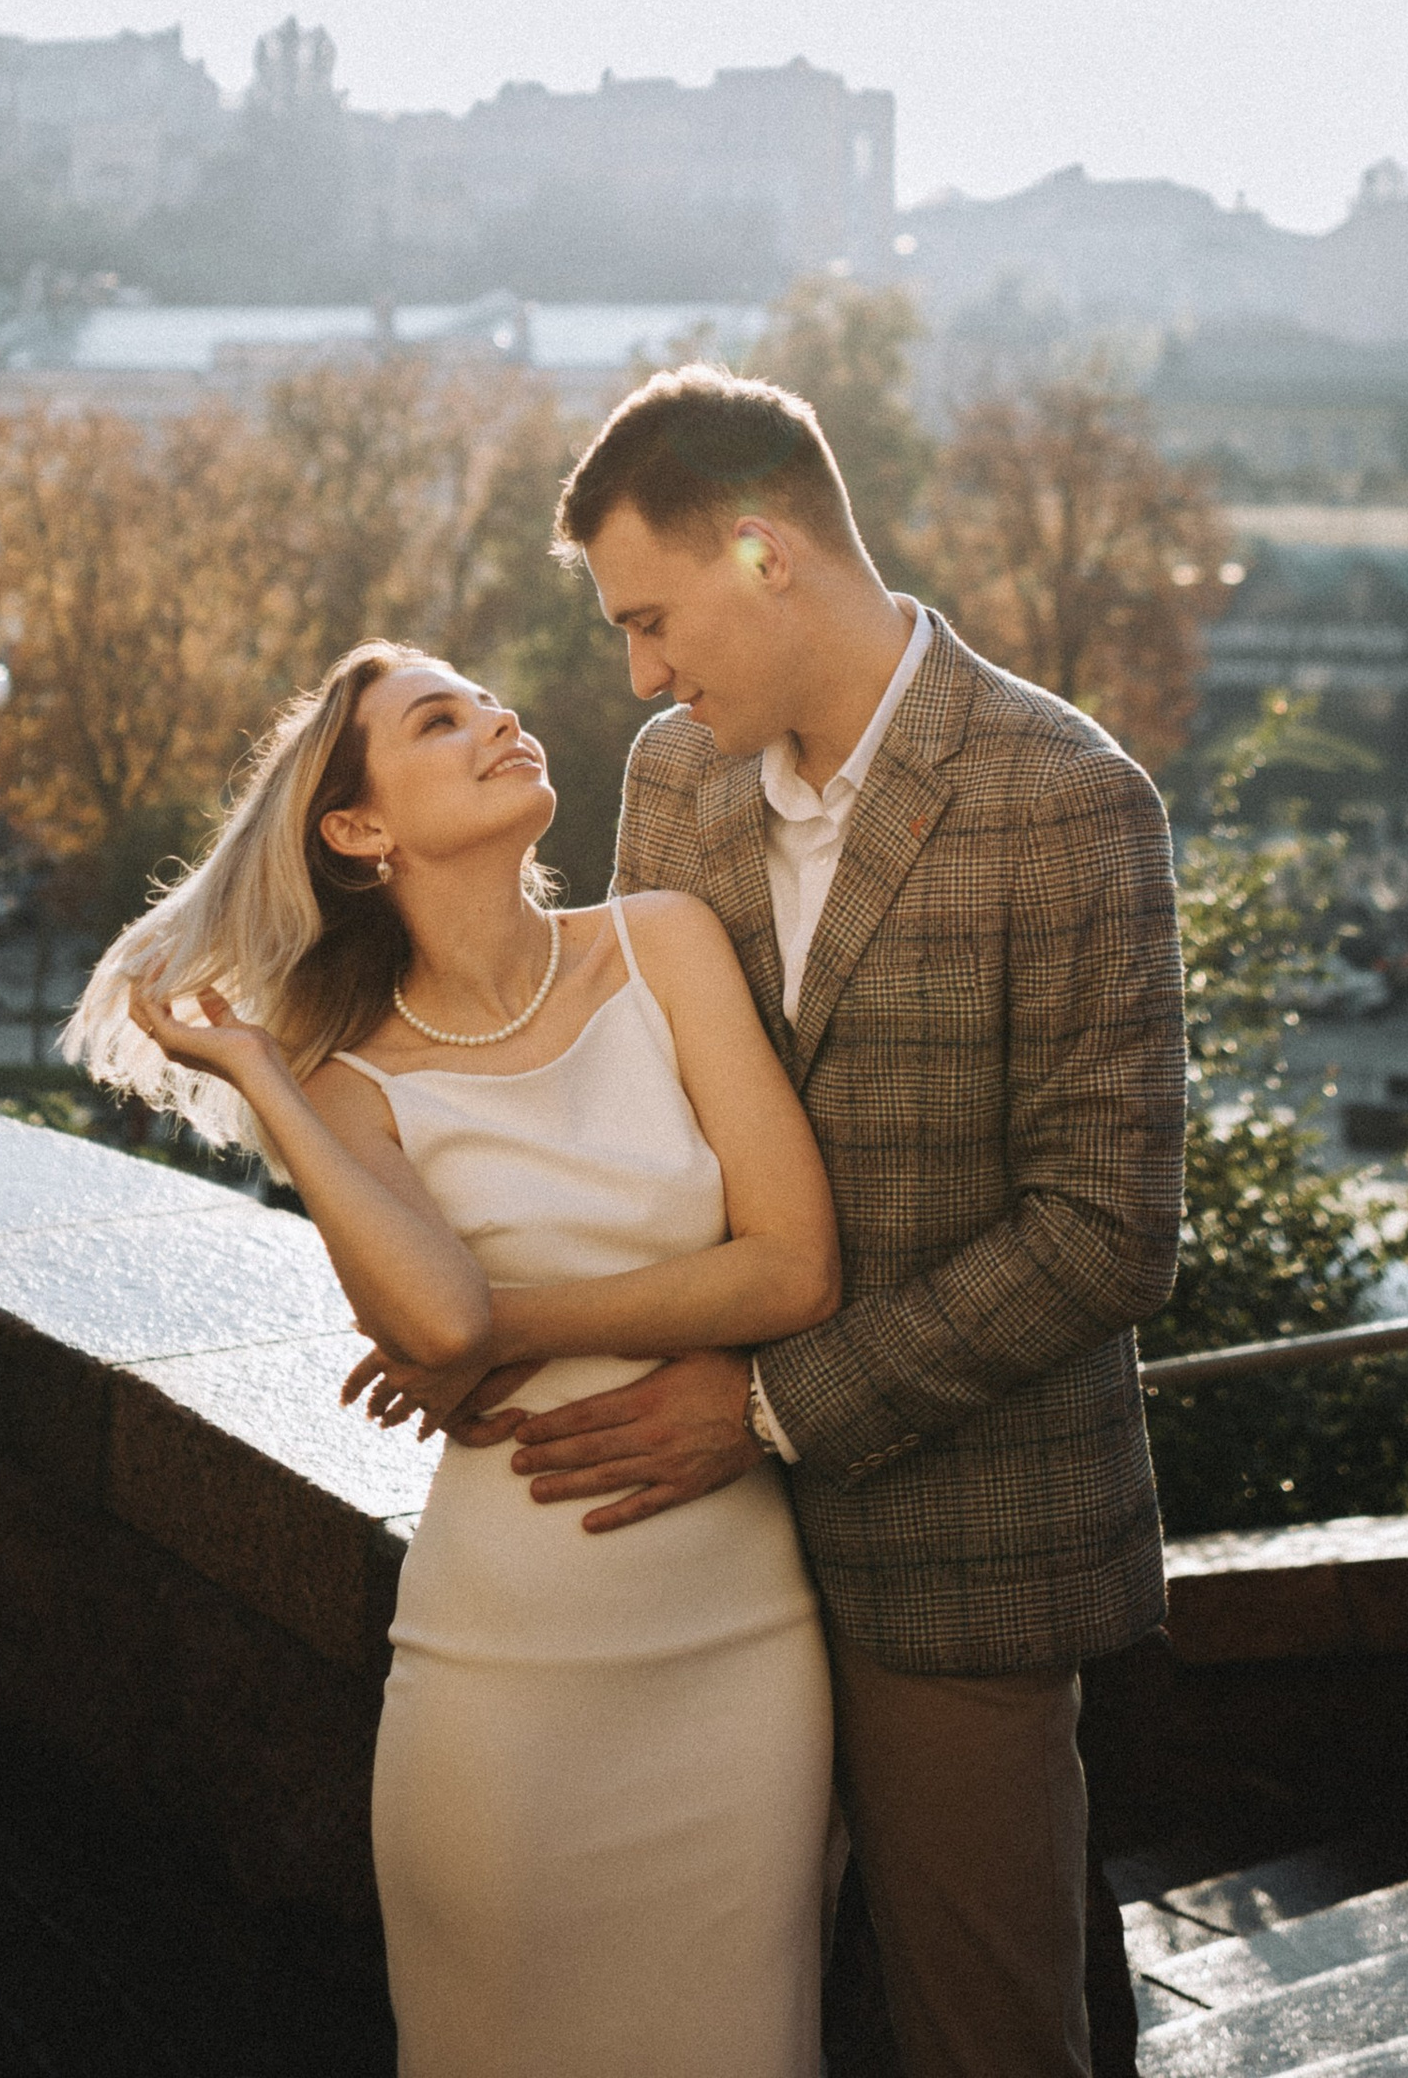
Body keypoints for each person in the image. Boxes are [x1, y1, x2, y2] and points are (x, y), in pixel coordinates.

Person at [370, 367, 1187, 2078]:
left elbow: (1107, 1230)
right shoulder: (677, 781)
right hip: (687, 1577)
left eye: (653, 619)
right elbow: (627, 1109)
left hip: (957, 1558)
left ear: (765, 554)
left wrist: (761, 1406)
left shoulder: (1068, 795)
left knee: (984, 2038)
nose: (641, 675)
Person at [64, 641, 842, 2078]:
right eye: (442, 719)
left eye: (489, 700)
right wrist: (268, 1078)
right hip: (504, 1675)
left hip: (738, 1655)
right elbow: (435, 1325)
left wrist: (520, 1321)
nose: (500, 720)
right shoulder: (349, 1086)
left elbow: (794, 1268)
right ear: (359, 831)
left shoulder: (662, 942)